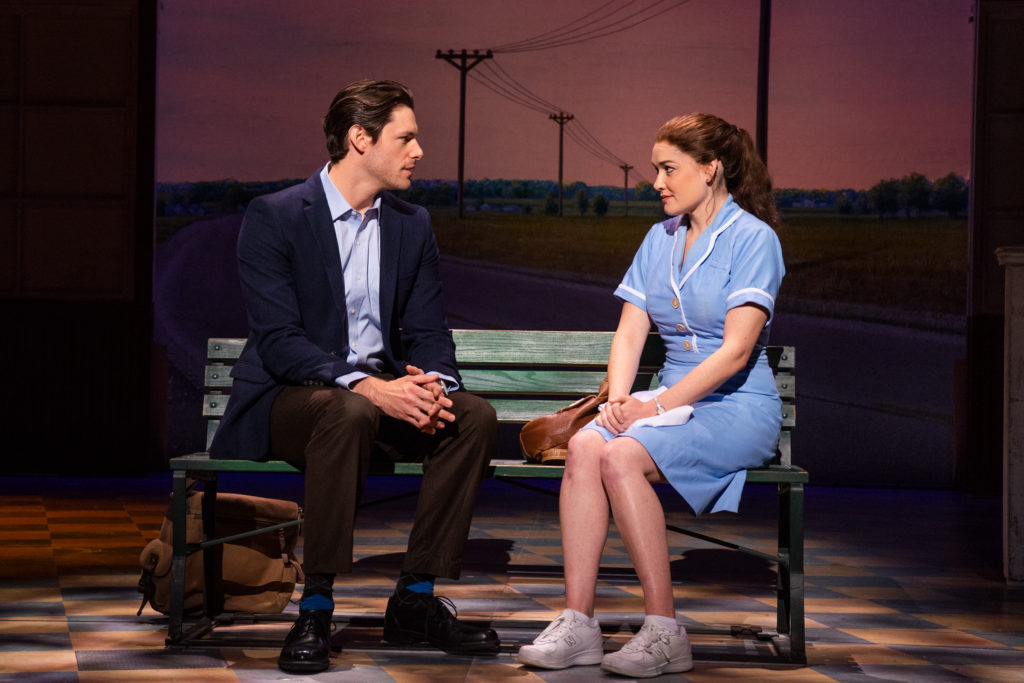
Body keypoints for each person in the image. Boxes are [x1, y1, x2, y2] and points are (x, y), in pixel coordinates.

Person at [210, 79, 500, 674]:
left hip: (378, 401)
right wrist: (367, 386)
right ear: (359, 138)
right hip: (294, 400)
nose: (419, 152)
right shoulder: (277, 216)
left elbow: (428, 331)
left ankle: (415, 598)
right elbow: (281, 340)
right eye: (407, 138)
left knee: (472, 416)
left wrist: (433, 387)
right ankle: (315, 605)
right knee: (350, 409)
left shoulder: (411, 224)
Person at [517, 113, 785, 678]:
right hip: (672, 400)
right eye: (656, 169)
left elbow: (735, 353)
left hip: (735, 407)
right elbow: (631, 330)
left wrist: (651, 407)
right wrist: (618, 402)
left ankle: (664, 630)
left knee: (619, 454)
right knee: (591, 446)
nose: (657, 181)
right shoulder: (657, 238)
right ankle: (578, 623)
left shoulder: (754, 239)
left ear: (711, 169)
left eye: (669, 169)